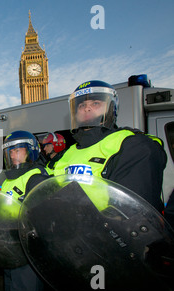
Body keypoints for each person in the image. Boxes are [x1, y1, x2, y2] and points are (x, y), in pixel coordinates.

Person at [53, 80, 167, 213]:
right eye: (81, 105)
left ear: (111, 107)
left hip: (106, 230)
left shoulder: (133, 145)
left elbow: (131, 211)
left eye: (95, 103)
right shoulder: (69, 152)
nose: (86, 108)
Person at [0, 130, 49, 291]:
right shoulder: (7, 180)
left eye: (18, 150)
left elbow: (38, 220)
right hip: (10, 246)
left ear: (30, 151)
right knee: (10, 290)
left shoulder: (36, 177)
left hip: (28, 251)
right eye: (10, 151)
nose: (13, 155)